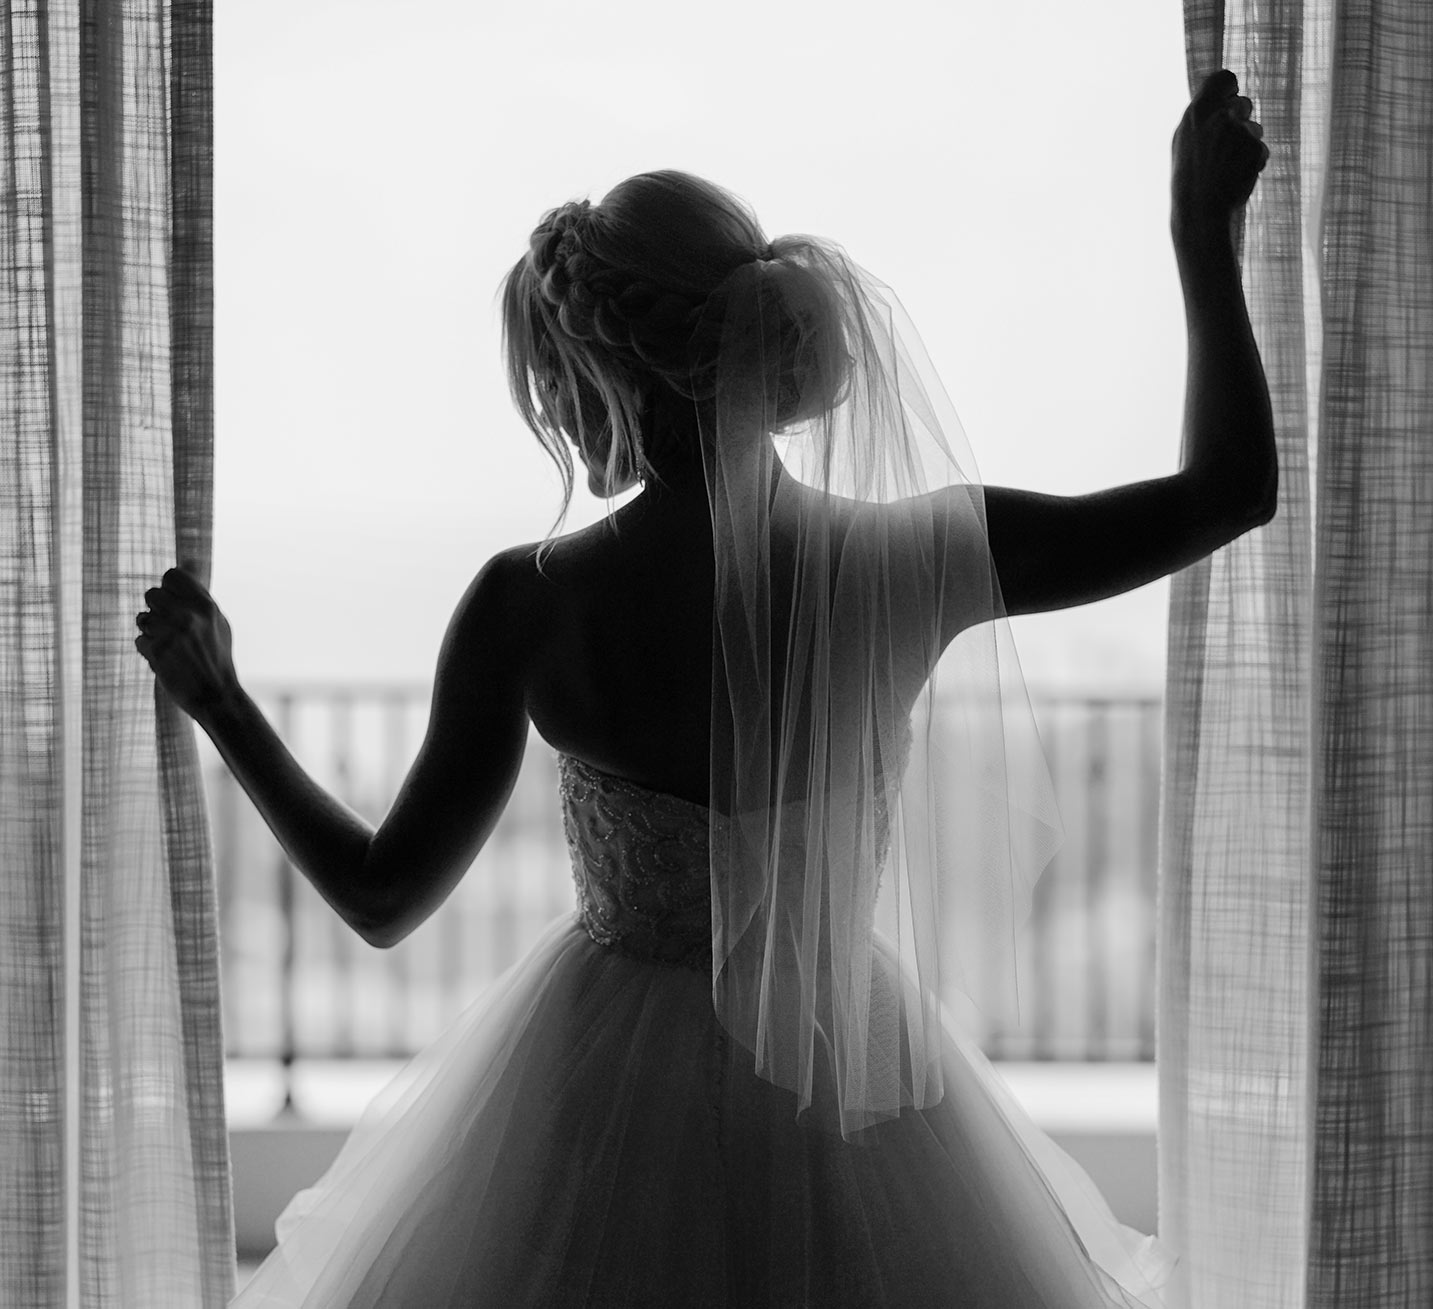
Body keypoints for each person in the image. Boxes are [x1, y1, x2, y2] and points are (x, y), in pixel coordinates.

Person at [137, 69, 1271, 1307]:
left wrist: (224, 703)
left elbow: (382, 894)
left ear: (602, 366)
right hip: (845, 1081)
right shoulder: (911, 563)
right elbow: (1230, 490)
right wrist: (1200, 240)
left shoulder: (531, 604)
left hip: (588, 1099)